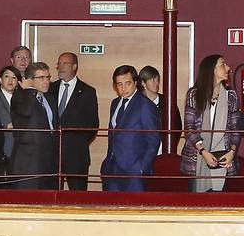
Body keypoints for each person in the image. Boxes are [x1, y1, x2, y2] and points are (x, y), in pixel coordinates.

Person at [181, 53, 241, 192]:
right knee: (197, 207)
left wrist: (232, 152)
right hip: (196, 160)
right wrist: (203, 152)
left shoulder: (230, 95)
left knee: (220, 208)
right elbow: (189, 128)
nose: (228, 68)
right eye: (222, 65)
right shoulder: (194, 94)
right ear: (211, 70)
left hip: (224, 158)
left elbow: (235, 128)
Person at [99, 65, 158, 192]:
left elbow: (153, 140)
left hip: (134, 172)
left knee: (134, 210)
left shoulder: (145, 105)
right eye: (119, 84)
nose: (123, 88)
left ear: (136, 83)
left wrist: (142, 167)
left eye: (127, 83)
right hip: (112, 169)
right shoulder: (115, 103)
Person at [50, 52, 99, 190]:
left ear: (75, 66)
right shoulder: (50, 89)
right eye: (59, 63)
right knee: (51, 196)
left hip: (76, 155)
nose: (61, 67)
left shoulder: (87, 92)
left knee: (78, 197)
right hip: (51, 154)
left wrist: (76, 142)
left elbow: (92, 126)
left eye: (65, 63)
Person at [9, 62, 59, 189]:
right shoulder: (20, 96)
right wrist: (29, 90)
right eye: (41, 78)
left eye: (48, 77)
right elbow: (27, 111)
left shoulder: (50, 98)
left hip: (48, 163)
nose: (46, 81)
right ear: (30, 80)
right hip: (28, 164)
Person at [0, 66, 20, 168]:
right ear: (1, 80)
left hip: (21, 149)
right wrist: (4, 126)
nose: (10, 80)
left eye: (14, 77)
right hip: (1, 148)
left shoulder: (23, 99)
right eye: (7, 77)